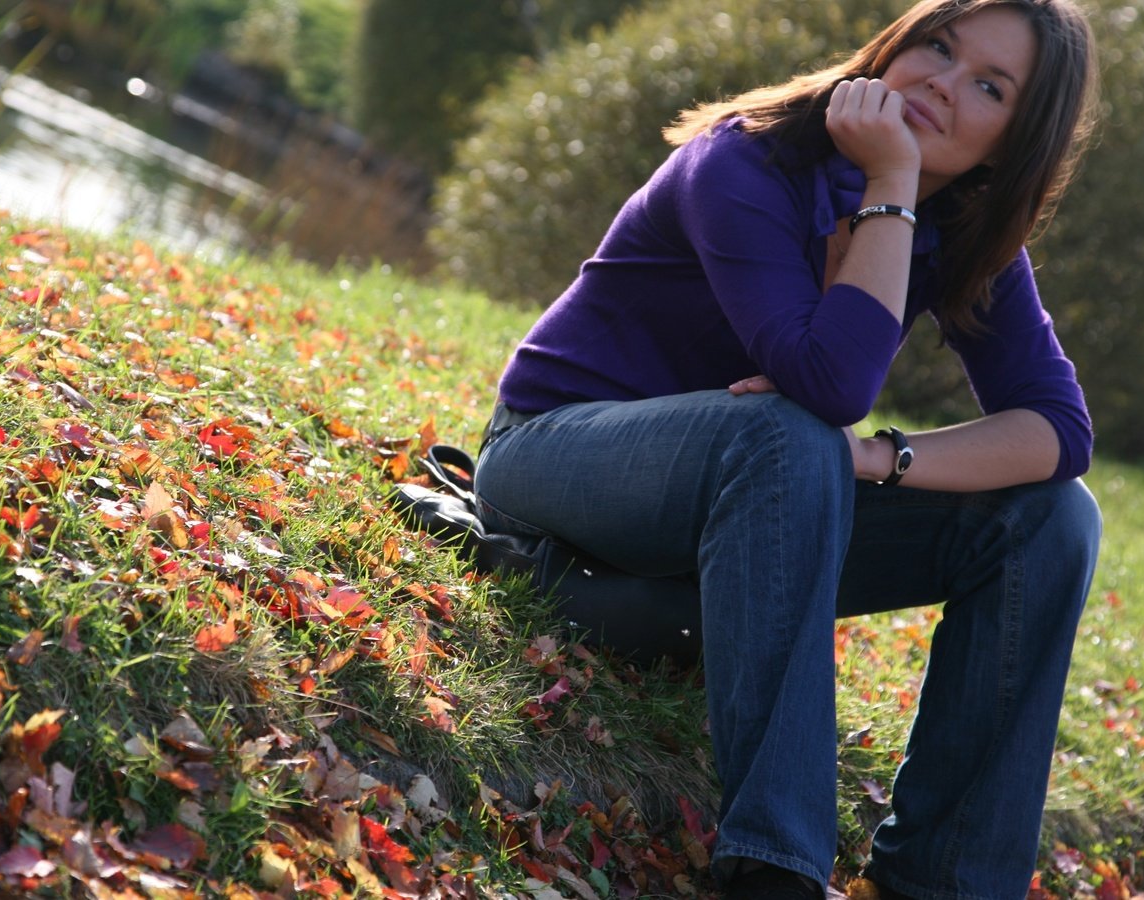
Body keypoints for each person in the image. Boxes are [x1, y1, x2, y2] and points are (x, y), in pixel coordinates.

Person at [470, 0, 1103, 897]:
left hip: (763, 500)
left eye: (989, 86)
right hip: (556, 456)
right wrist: (890, 181)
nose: (942, 85)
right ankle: (778, 866)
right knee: (790, 432)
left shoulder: (962, 225)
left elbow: (1059, 433)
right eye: (938, 46)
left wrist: (882, 460)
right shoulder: (747, 159)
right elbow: (830, 382)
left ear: (1012, 142)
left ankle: (946, 880)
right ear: (897, 44)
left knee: (1052, 521)